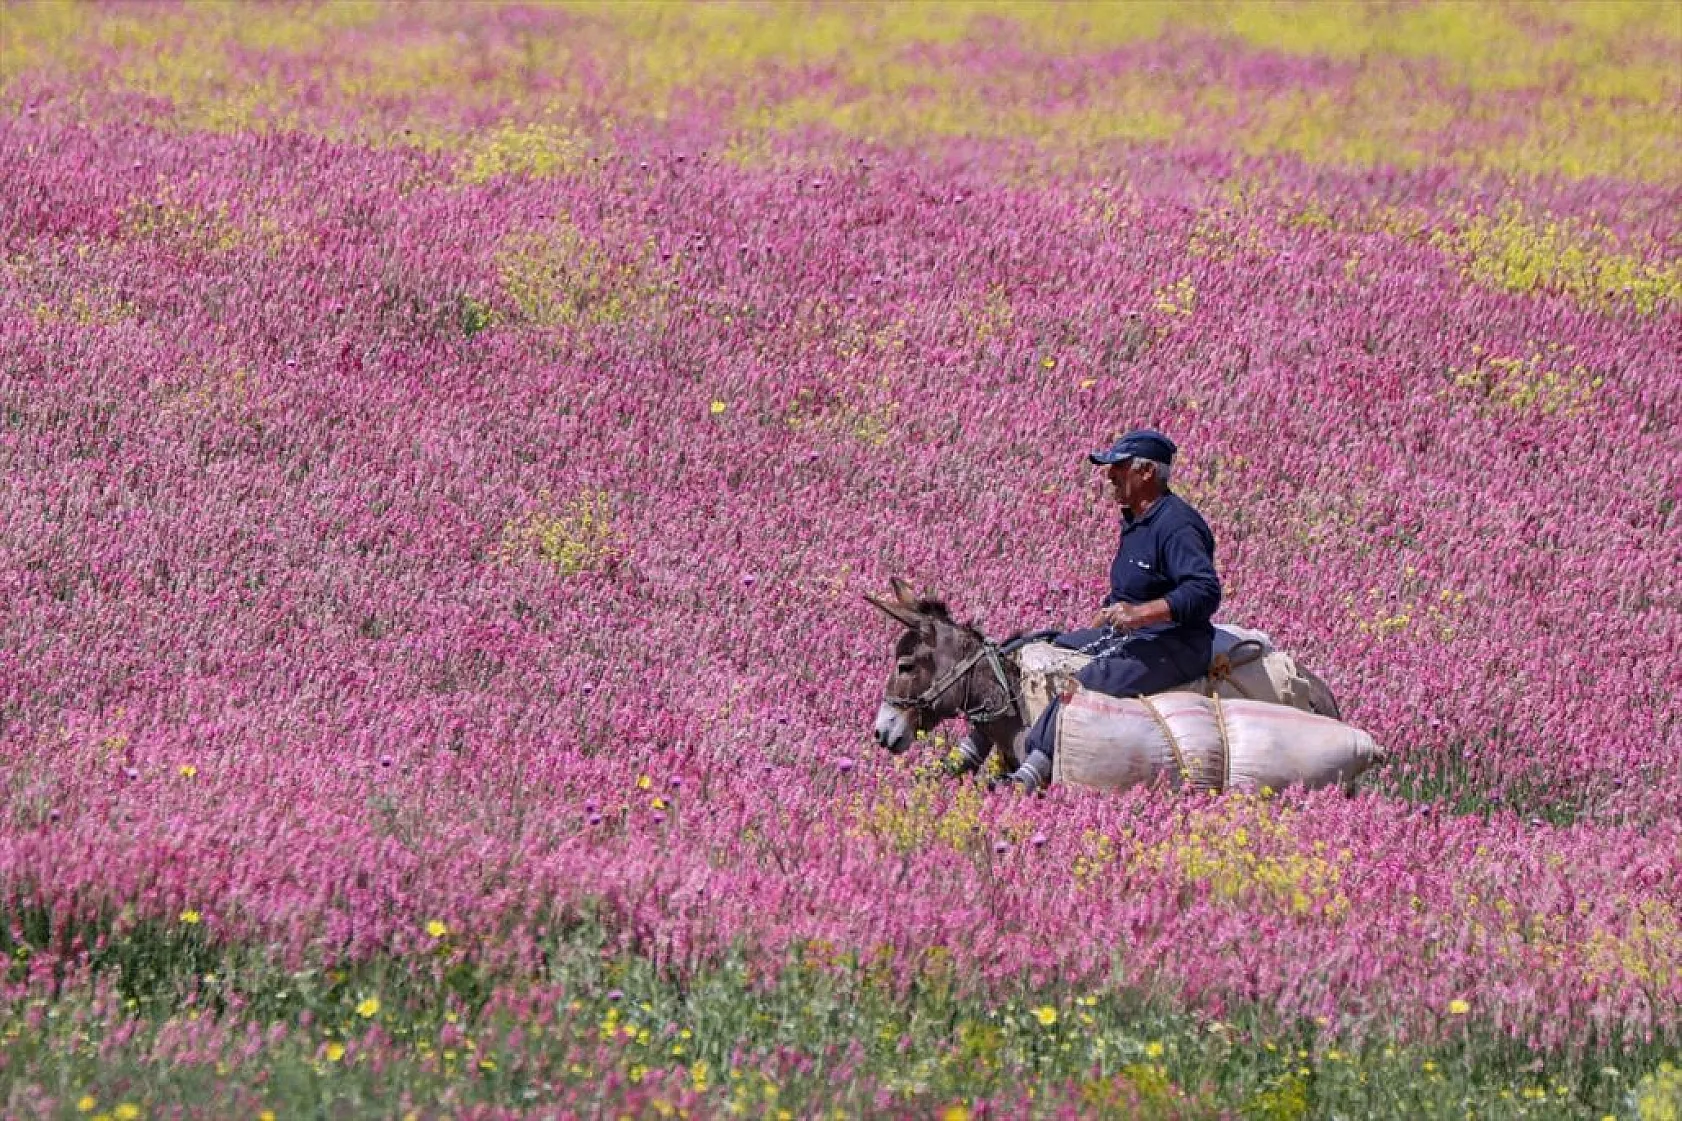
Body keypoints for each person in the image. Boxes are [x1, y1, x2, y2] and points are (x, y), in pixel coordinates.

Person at [997, 428, 1222, 791]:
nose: (1109, 475)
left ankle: (1032, 772)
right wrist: (1111, 609)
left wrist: (1141, 614)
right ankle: (976, 749)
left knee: (1088, 682)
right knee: (1045, 645)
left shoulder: (1177, 524)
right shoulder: (1135, 521)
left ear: (1147, 472)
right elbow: (1134, 586)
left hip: (1176, 644)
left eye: (1119, 467)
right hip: (1133, 633)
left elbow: (1204, 590)